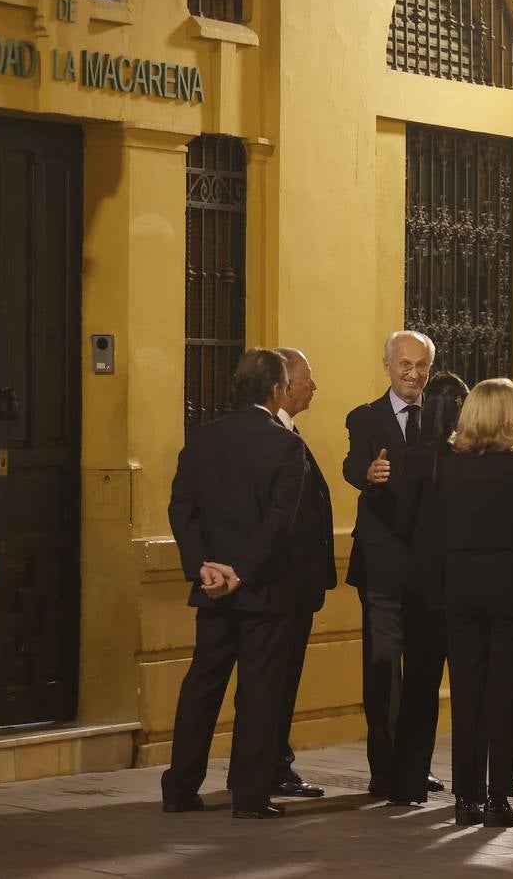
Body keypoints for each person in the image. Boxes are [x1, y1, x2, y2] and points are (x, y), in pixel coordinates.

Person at [162, 348, 306, 820]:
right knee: (260, 692)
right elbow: (280, 521)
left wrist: (205, 566)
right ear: (276, 390)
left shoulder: (202, 439)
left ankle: (179, 787)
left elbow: (182, 507)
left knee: (203, 683)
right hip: (263, 589)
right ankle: (249, 796)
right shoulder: (284, 445)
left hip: (211, 588)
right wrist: (241, 570)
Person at [435, 378, 513, 828]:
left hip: (460, 586)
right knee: (506, 690)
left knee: (466, 689)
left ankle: (465, 797)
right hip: (512, 587)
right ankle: (499, 797)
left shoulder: (448, 466)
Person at [342, 330, 443, 797]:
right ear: (387, 366)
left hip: (430, 569)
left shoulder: (443, 420)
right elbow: (350, 464)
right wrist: (367, 473)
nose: (413, 374)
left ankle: (415, 767)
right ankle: (384, 770)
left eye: (422, 366)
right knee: (383, 671)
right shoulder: (365, 418)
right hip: (382, 566)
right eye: (405, 364)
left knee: (423, 673)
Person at [386, 371, 470, 807]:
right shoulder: (472, 460)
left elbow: (401, 523)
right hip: (462, 590)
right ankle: (468, 787)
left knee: (418, 688)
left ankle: (407, 782)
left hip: (420, 590)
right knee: (468, 691)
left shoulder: (415, 459)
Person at [269, 348, 337, 799]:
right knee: (275, 681)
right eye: (308, 380)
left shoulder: (289, 434)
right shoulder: (277, 439)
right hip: (282, 587)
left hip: (294, 586)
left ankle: (274, 762)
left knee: (280, 681)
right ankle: (272, 765)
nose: (314, 388)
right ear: (285, 386)